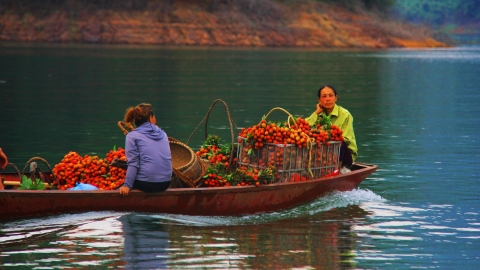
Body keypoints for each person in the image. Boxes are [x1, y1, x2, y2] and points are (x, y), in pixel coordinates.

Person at [119, 103, 172, 196]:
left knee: (118, 189)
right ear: (151, 118)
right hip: (166, 183)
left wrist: (127, 185)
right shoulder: (163, 134)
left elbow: (133, 163)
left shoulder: (132, 136)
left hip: (146, 184)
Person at [305, 85, 358, 171]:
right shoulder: (319, 115)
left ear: (335, 98)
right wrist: (316, 112)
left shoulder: (345, 114)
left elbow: (347, 140)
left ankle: (337, 171)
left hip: (344, 155)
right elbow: (304, 126)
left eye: (331, 95)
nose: (328, 99)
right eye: (324, 96)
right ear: (319, 100)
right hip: (324, 153)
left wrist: (327, 137)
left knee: (339, 142)